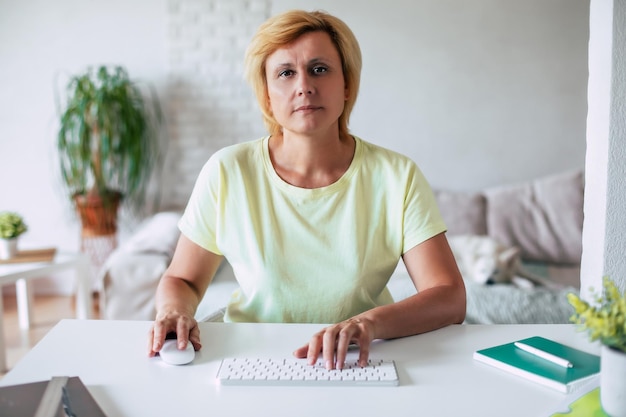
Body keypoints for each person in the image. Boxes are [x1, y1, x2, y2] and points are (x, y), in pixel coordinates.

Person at [148, 9, 466, 370]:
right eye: (285, 73)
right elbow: (182, 279)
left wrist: (369, 324)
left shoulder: (397, 175)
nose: (304, 85)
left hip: (358, 360)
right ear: (267, 96)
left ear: (347, 85)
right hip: (250, 357)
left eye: (319, 69)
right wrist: (173, 311)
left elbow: (449, 296)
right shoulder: (227, 171)